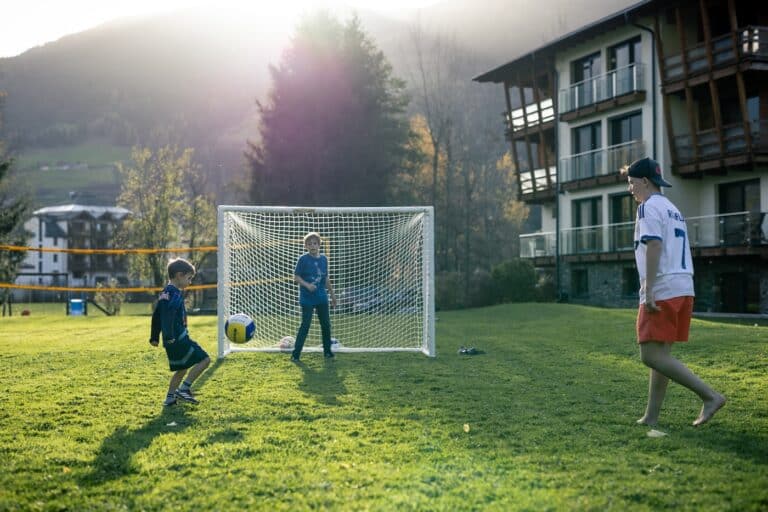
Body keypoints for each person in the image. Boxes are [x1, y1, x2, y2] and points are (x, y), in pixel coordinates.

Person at [624, 157, 726, 427]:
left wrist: (648, 289)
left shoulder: (647, 207)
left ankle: (710, 396)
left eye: (632, 183)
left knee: (650, 355)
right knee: (661, 356)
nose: (630, 189)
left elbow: (654, 246)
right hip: (683, 287)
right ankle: (651, 416)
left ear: (645, 181)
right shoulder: (672, 208)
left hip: (663, 288)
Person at [149, 257, 210, 406]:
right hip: (178, 339)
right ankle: (184, 389)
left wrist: (154, 337)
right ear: (179, 275)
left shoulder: (165, 293)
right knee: (205, 360)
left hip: (171, 340)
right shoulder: (174, 294)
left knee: (182, 368)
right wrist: (169, 336)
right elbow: (168, 316)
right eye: (189, 278)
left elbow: (156, 316)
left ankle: (170, 398)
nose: (190, 282)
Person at [291, 232, 337, 362]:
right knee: (305, 325)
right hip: (307, 298)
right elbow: (296, 277)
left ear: (319, 245)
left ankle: (327, 352)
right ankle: (295, 354)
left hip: (321, 297)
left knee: (326, 325)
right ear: (306, 246)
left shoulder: (324, 259)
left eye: (315, 243)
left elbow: (325, 278)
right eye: (309, 244)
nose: (312, 246)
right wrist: (307, 285)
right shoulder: (303, 259)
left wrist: (332, 295)